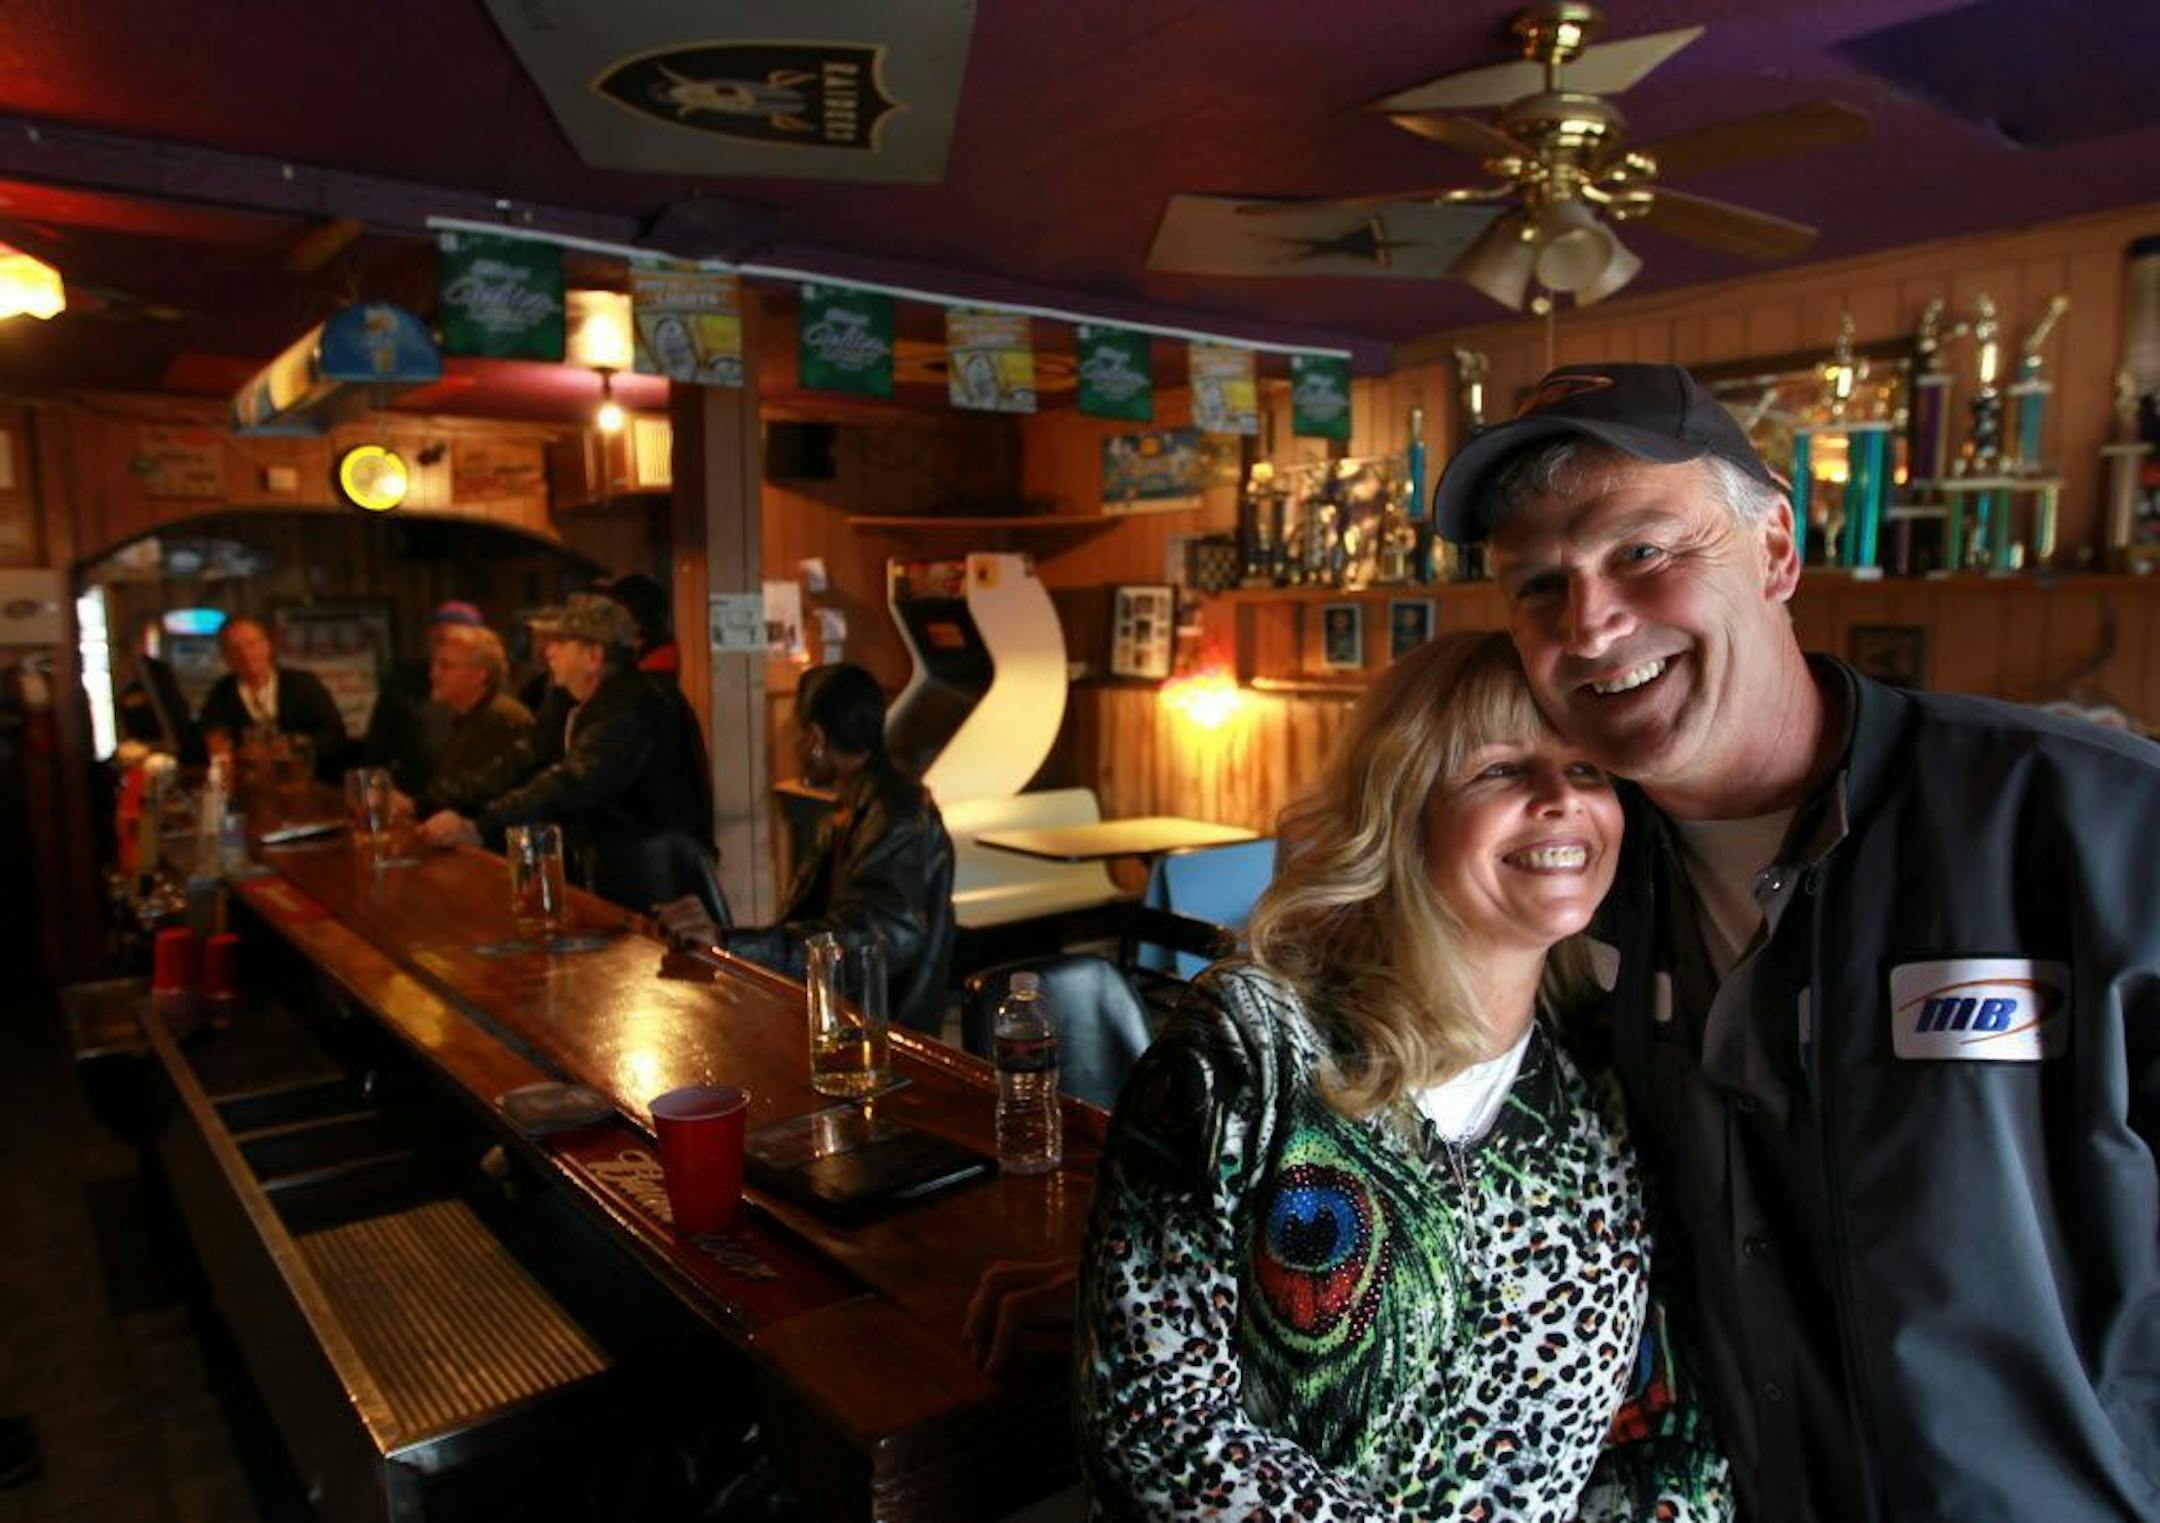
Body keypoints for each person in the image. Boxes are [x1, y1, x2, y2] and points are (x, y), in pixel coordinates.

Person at [1431, 361, 2160, 1522]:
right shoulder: (1561, 891)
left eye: (1643, 551)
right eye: (1536, 584)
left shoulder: (2097, 824)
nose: (1592, 623)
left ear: (1776, 549)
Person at [1075, 631, 1730, 1521]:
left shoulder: (1609, 1073)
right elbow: (1156, 1424)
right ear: (1402, 805)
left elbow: (1667, 1422)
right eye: (1501, 769)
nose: (1559, 801)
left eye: (1587, 771)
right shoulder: (1248, 1049)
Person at [656, 663, 956, 1037]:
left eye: (797, 732)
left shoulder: (895, 814)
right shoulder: (862, 803)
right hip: (854, 1025)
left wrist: (734, 944)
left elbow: (877, 937)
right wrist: (728, 939)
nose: (795, 743)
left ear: (816, 738)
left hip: (884, 1046)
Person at [418, 594, 713, 911]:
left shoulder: (631, 704)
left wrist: (481, 827)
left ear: (593, 656)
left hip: (656, 889)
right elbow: (522, 761)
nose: (549, 651)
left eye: (561, 641)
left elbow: (573, 783)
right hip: (618, 878)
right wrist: (433, 804)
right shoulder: (573, 705)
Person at [402, 623, 532, 815]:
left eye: (446, 666)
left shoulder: (501, 719)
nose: (433, 674)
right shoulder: (465, 716)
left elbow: (475, 794)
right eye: (434, 665)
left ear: (479, 675)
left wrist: (415, 805)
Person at [195, 615, 348, 779]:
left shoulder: (302, 684)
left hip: (308, 782)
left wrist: (294, 747)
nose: (245, 654)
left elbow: (335, 734)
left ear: (267, 645)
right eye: (234, 649)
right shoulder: (221, 693)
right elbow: (209, 740)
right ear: (225, 656)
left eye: (251, 644)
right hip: (247, 787)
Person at [361, 600, 486, 796]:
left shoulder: (497, 698)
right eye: (438, 642)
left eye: (454, 644)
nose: (443, 651)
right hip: (413, 801)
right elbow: (376, 752)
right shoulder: (404, 681)